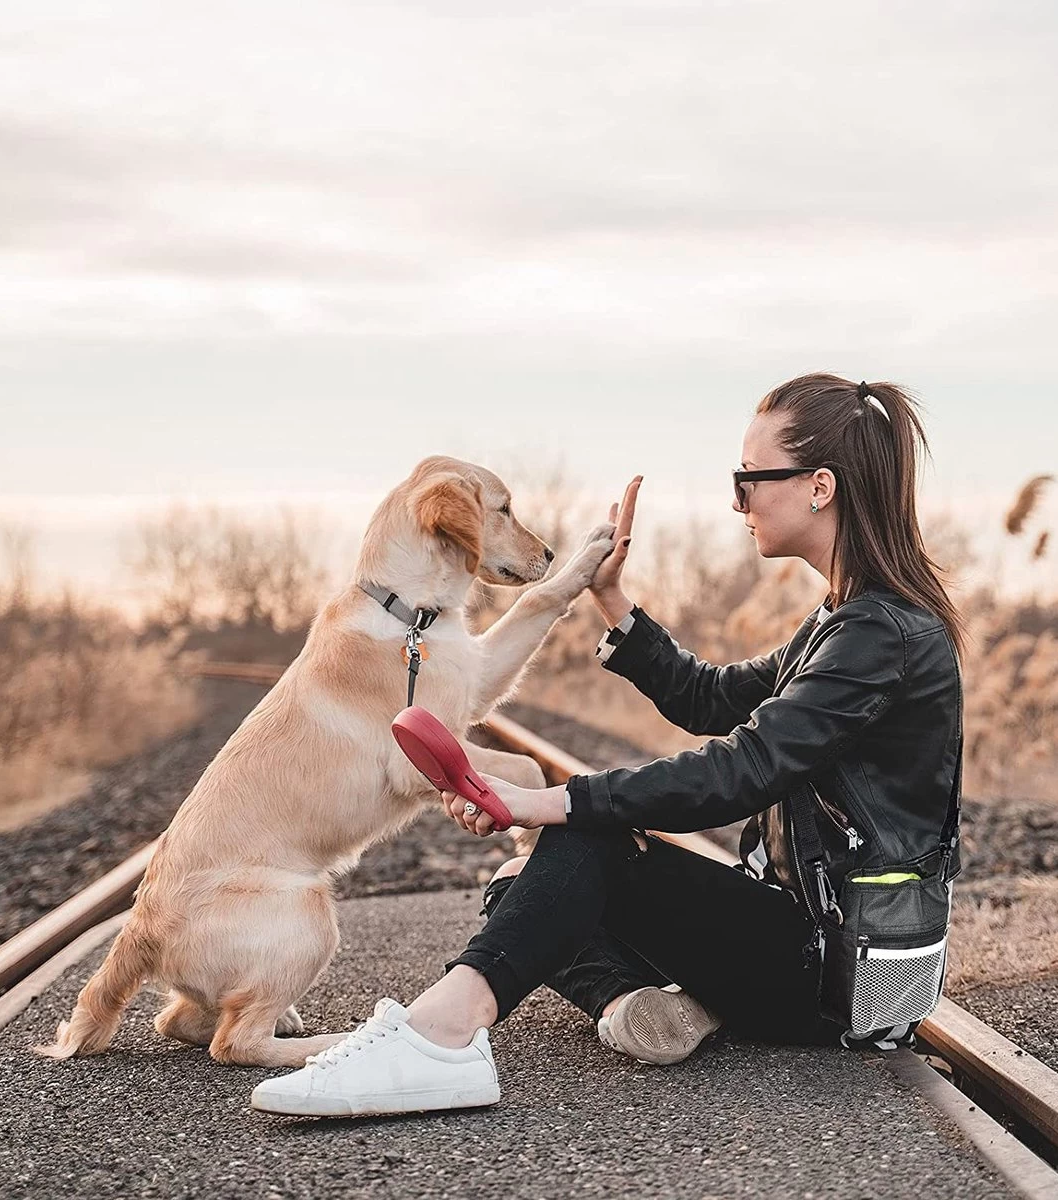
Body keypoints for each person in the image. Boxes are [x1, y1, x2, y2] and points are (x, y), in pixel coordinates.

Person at [250, 372, 967, 1118]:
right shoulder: (847, 621)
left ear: (819, 486)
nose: (736, 500)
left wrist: (552, 800)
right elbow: (711, 699)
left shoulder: (877, 636)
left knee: (580, 846)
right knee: (521, 889)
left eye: (748, 479)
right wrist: (611, 598)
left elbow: (742, 770)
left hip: (840, 973)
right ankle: (644, 1005)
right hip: (805, 940)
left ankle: (440, 1036)